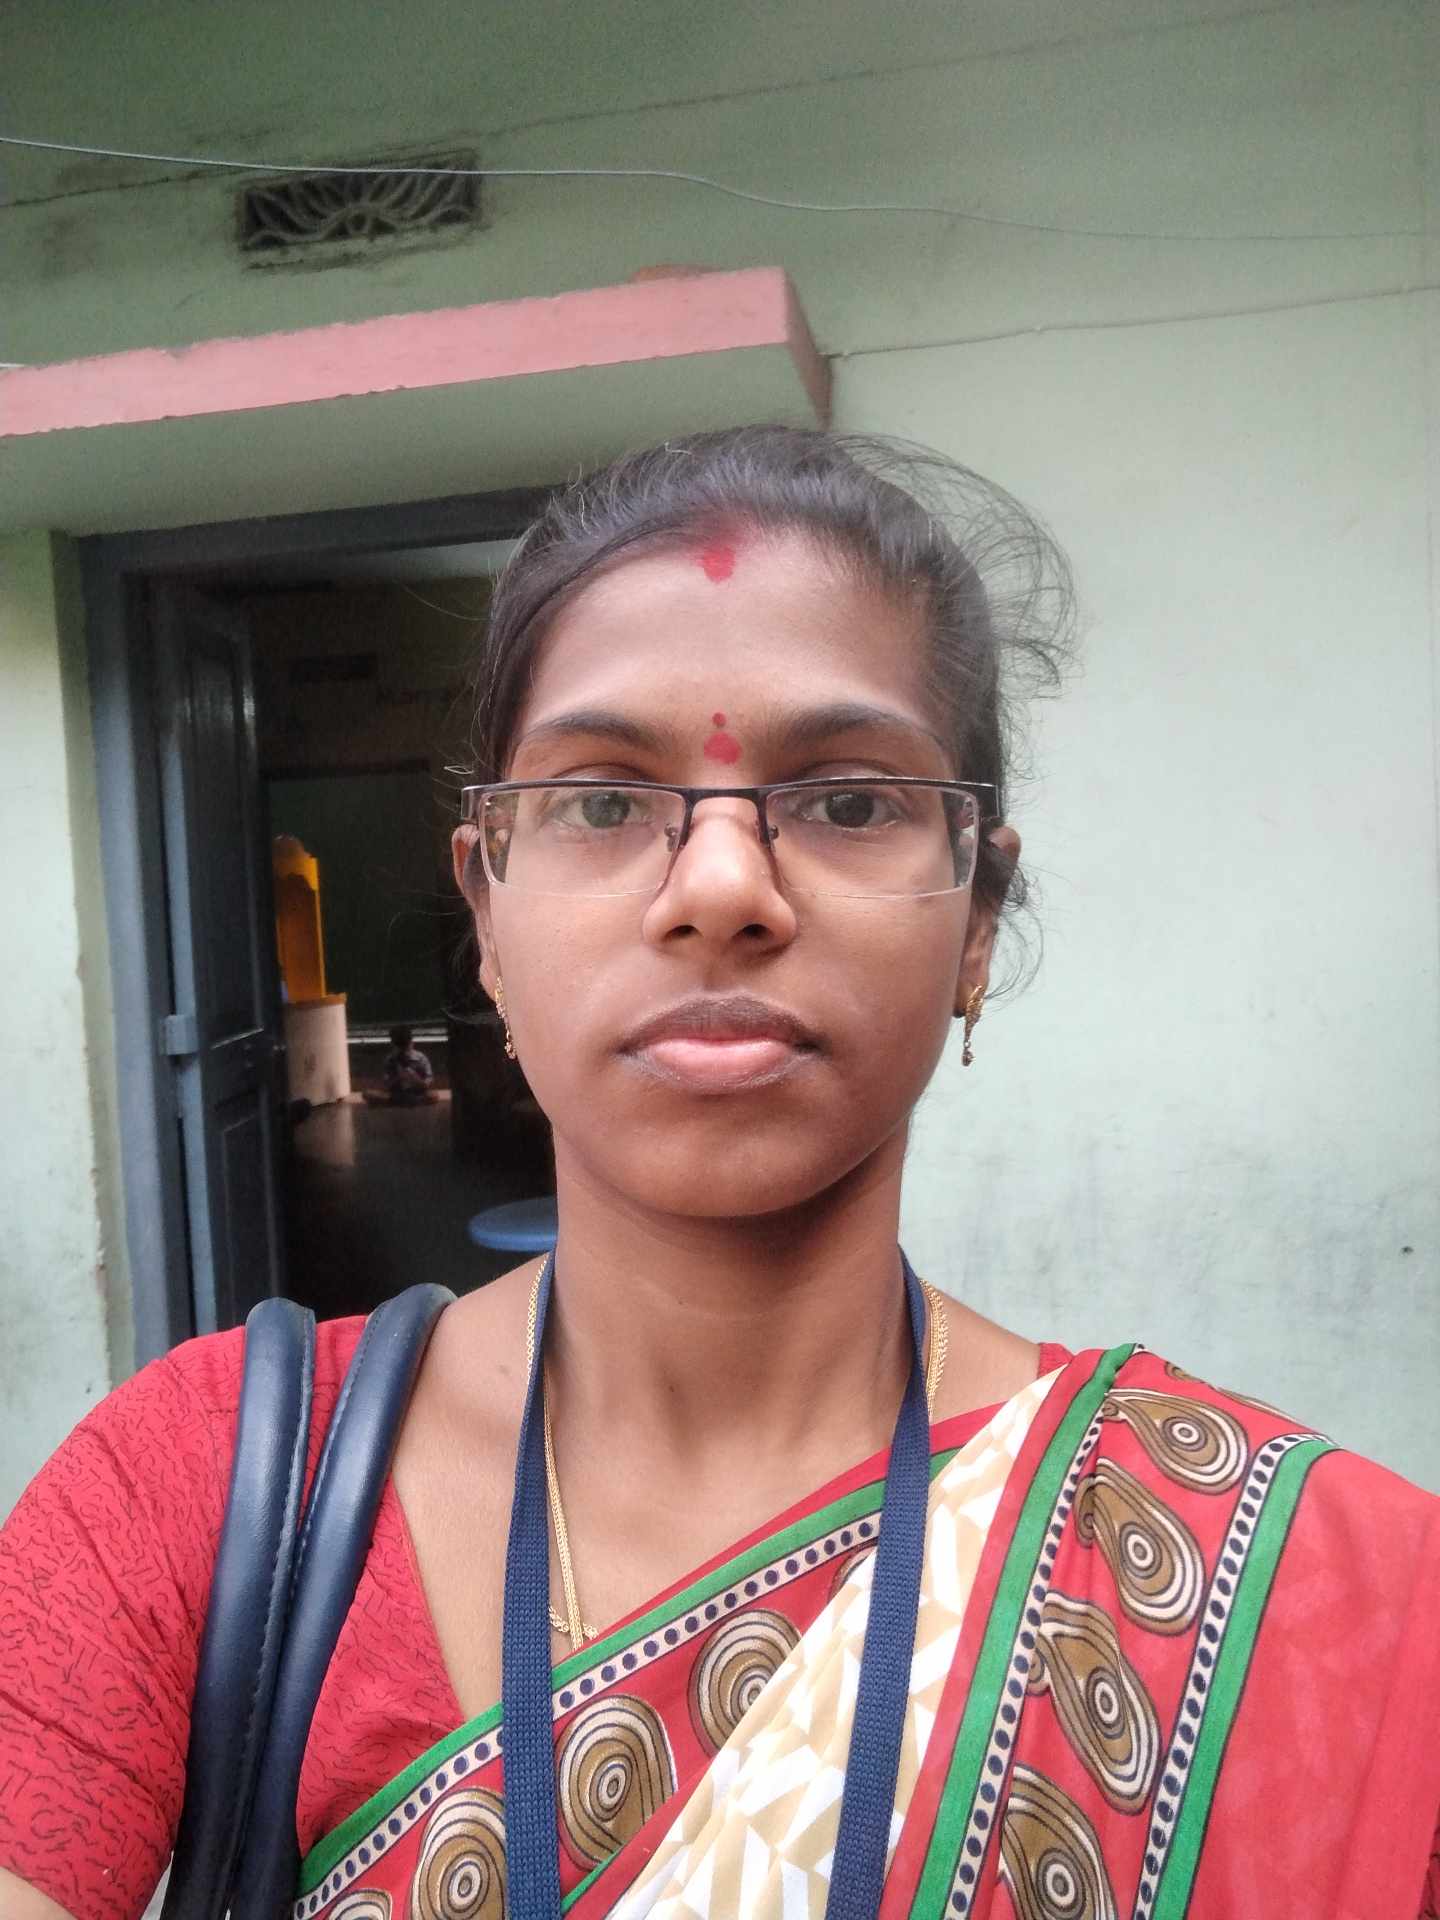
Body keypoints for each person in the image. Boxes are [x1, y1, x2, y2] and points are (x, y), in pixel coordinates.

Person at [1, 426, 1436, 1920]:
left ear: (976, 925)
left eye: (849, 800)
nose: (723, 889)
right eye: (603, 801)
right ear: (487, 916)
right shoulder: (202, 1490)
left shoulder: (1296, 1585)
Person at [381, 1022, 436, 1104]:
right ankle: (410, 1101)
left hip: (417, 1092)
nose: (403, 1052)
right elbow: (387, 1085)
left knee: (433, 1095)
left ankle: (405, 1101)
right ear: (393, 1045)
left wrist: (414, 1077)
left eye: (406, 1048)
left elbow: (428, 1083)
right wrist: (399, 1077)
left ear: (411, 1043)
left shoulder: (421, 1058)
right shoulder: (390, 1060)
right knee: (368, 1094)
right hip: (397, 1094)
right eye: (400, 1048)